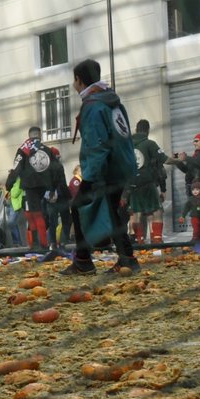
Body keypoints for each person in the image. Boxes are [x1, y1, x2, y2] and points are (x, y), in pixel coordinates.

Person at [65, 58, 139, 276]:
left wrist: (89, 178)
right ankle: (126, 258)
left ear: (78, 80)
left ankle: (83, 261)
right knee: (114, 212)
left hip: (105, 169)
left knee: (78, 206)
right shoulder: (113, 101)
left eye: (74, 80)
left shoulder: (93, 106)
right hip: (121, 165)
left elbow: (97, 144)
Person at [7, 129, 55, 255]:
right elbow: (55, 169)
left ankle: (40, 244)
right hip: (44, 186)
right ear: (40, 135)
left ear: (29, 136)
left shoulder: (23, 149)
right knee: (35, 213)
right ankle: (39, 243)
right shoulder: (47, 149)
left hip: (30, 186)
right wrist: (52, 188)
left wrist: (9, 183)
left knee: (34, 214)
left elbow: (16, 167)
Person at [126, 119, 168, 246]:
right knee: (155, 212)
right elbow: (161, 166)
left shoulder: (127, 145)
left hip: (132, 185)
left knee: (136, 213)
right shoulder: (150, 144)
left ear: (136, 130)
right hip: (148, 184)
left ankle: (140, 240)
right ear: (148, 130)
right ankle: (156, 239)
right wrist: (163, 189)